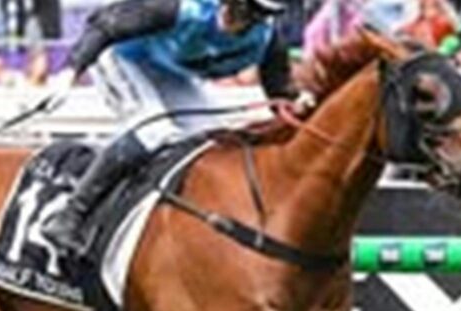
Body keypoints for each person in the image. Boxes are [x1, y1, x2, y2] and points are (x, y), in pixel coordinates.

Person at [41, 0, 313, 258]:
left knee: (214, 142)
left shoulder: (265, 38)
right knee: (154, 131)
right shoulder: (182, 8)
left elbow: (279, 90)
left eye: (257, 16)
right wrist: (69, 72)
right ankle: (70, 216)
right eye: (243, 9)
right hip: (119, 54)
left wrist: (300, 103)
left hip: (164, 69)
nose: (246, 23)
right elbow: (104, 24)